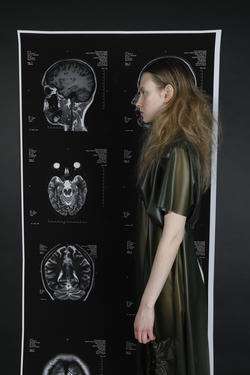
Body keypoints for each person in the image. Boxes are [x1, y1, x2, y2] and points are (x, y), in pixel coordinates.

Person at [132, 56, 215, 375]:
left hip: (170, 286)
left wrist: (147, 304)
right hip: (164, 279)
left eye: (144, 92)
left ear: (167, 94)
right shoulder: (166, 148)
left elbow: (173, 233)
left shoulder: (178, 150)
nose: (138, 102)